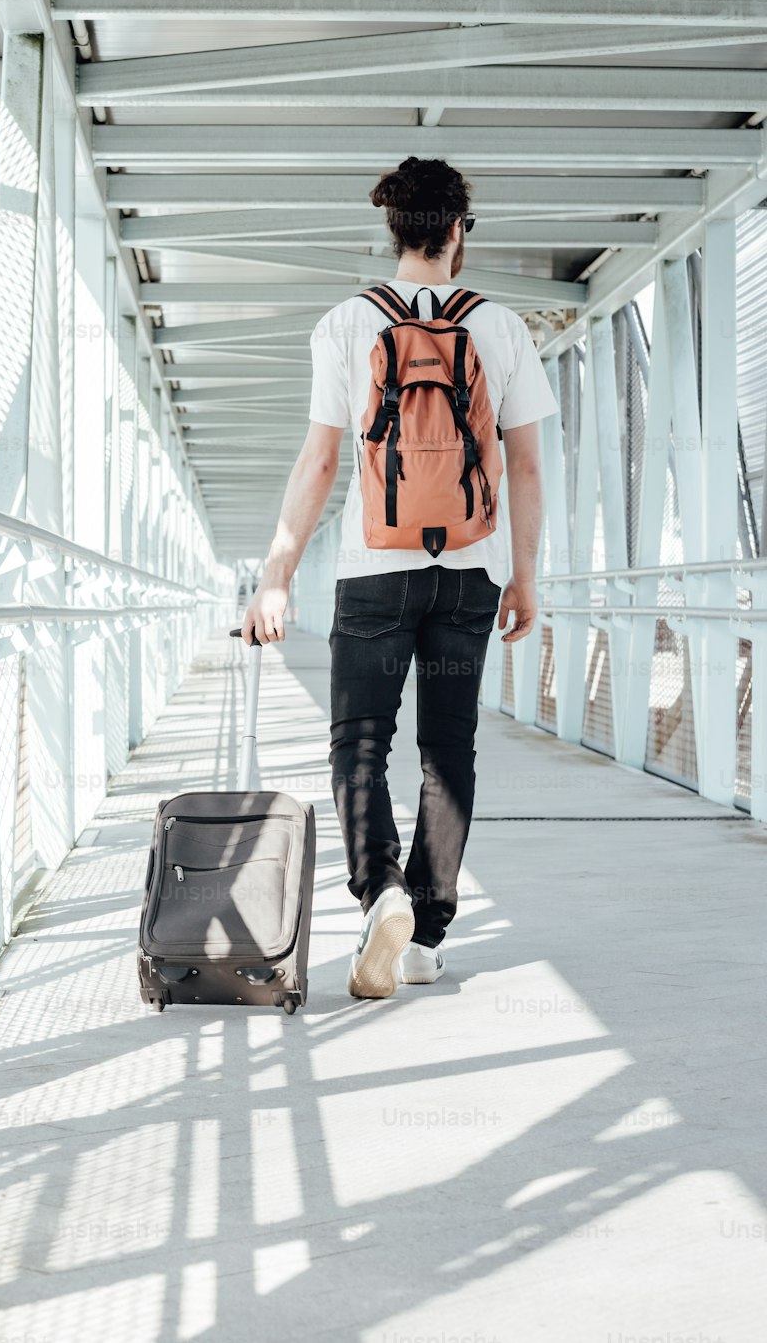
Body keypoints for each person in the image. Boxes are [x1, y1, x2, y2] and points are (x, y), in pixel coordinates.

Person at [240, 156, 559, 1000]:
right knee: (447, 750)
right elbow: (524, 467)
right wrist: (525, 578)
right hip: (470, 571)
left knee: (360, 744)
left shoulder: (346, 323)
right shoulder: (501, 327)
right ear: (458, 231)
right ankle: (428, 930)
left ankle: (380, 892)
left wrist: (277, 577)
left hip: (374, 570)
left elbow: (318, 462)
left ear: (393, 230)